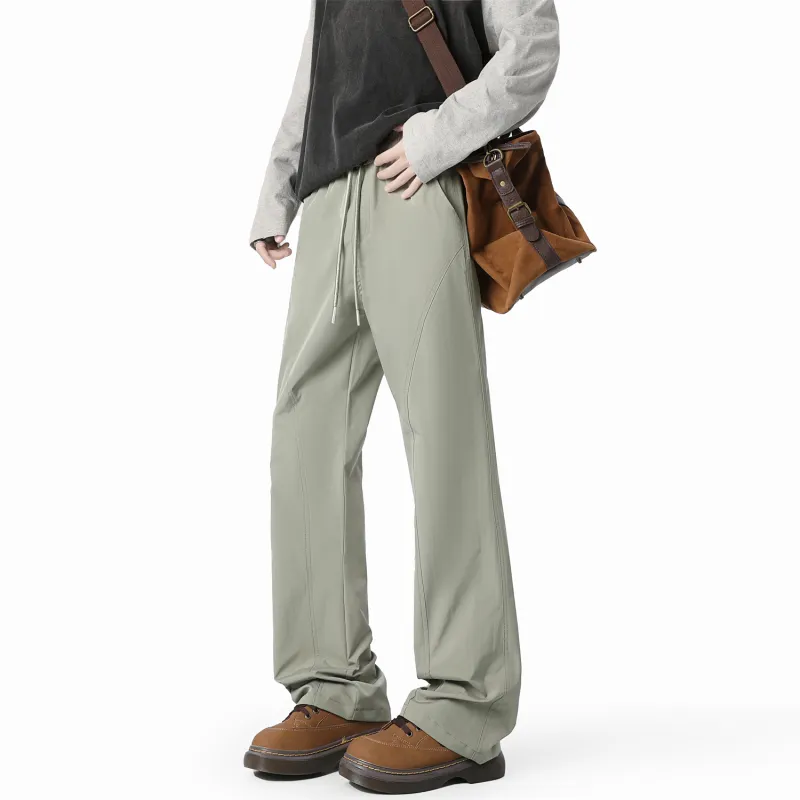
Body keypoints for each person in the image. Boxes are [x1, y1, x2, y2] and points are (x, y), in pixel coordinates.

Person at [243, 0, 560, 792]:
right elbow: (319, 71)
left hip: (418, 183)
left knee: (443, 436)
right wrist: (280, 188)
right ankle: (333, 689)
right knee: (304, 438)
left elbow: (531, 49)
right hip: (329, 199)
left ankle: (465, 706)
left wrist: (433, 140)